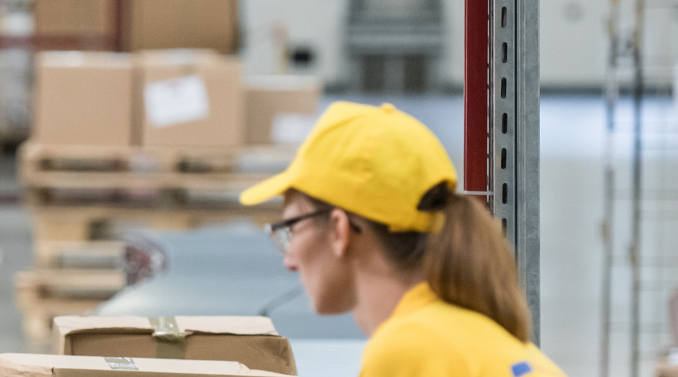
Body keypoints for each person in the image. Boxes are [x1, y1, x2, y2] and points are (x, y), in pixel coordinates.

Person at [239, 101, 565, 376]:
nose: (289, 260)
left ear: (339, 230)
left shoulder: (405, 350)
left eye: (291, 228)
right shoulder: (472, 340)